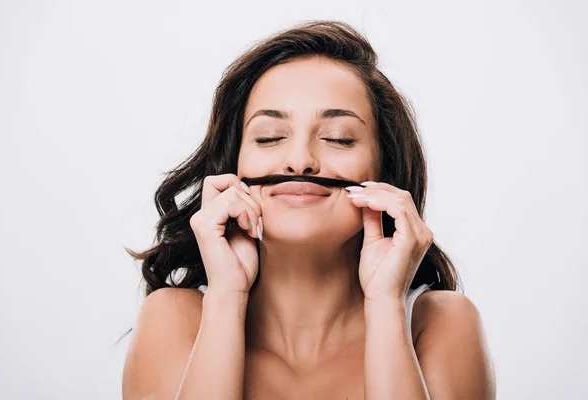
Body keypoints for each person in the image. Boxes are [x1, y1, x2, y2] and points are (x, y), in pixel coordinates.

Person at [121, 20, 496, 399]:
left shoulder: (443, 323)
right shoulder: (173, 318)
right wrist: (226, 298)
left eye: (338, 138)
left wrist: (386, 306)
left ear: (386, 172)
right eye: (269, 137)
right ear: (233, 168)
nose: (300, 161)